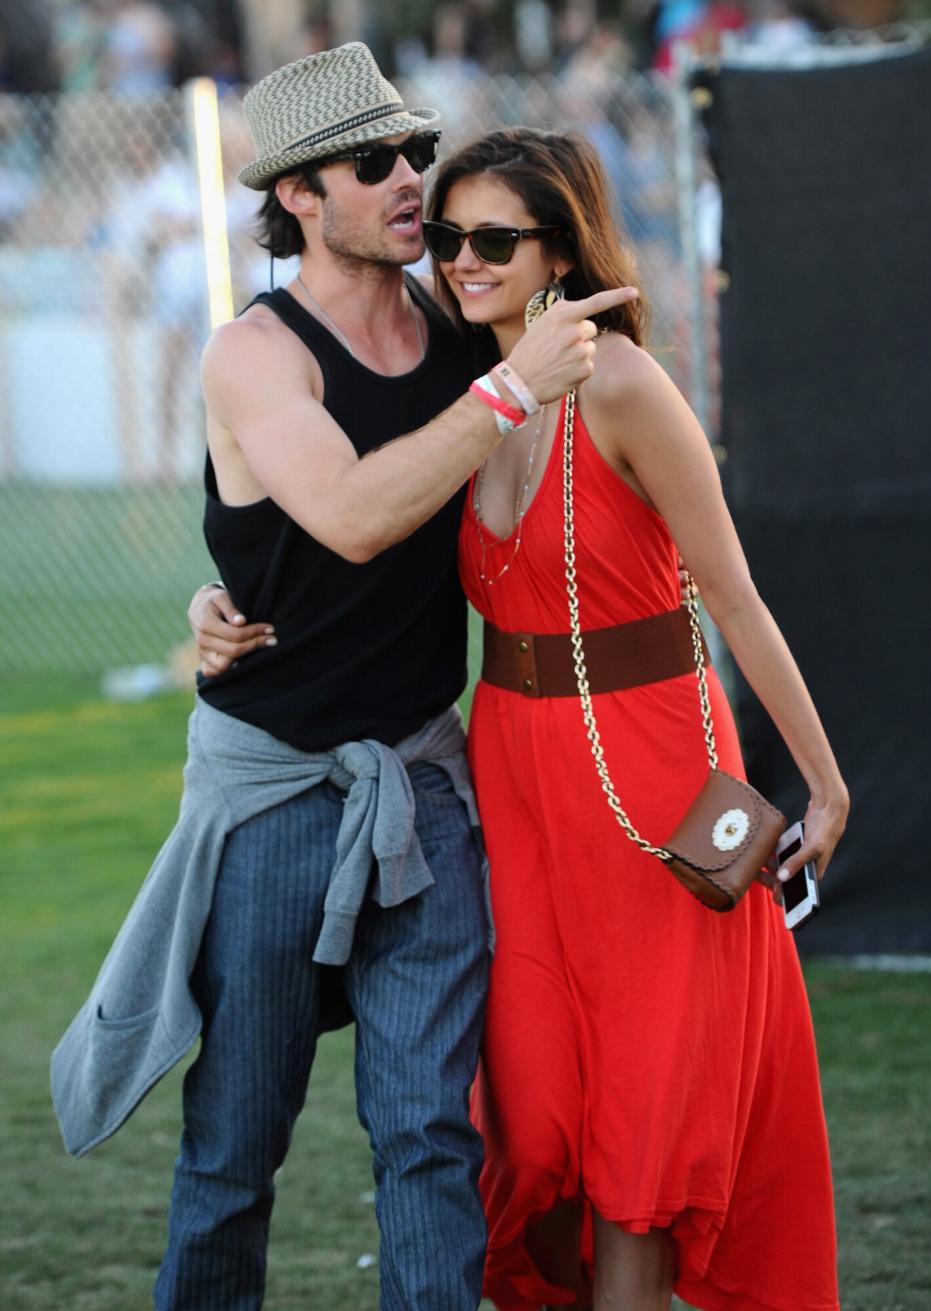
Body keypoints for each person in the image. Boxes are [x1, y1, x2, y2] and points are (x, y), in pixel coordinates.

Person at [195, 125, 849, 1311]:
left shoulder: (626, 385)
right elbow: (338, 526)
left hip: (648, 770)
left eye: (493, 240)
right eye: (448, 238)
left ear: (561, 252)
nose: (459, 261)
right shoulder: (454, 380)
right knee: (535, 1119)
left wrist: (823, 776)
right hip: (510, 782)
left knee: (644, 1129)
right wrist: (219, 604)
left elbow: (736, 594)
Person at [50, 46, 634, 1311]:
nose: (412, 180)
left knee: (431, 1138)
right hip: (275, 800)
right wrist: (507, 389)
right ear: (300, 196)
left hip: (422, 782)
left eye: (415, 151)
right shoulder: (254, 355)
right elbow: (356, 517)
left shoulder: (451, 325)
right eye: (376, 164)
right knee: (233, 1151)